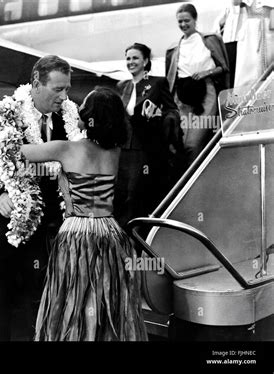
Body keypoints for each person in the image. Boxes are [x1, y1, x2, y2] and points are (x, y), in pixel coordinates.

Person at [18, 86, 148, 341]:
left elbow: (14, 152)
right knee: (105, 304)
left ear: (90, 115)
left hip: (76, 234)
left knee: (71, 304)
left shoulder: (65, 149)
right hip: (111, 234)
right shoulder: (115, 152)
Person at [0, 55, 77, 340]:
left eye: (67, 88)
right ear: (36, 84)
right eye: (58, 89)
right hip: (5, 227)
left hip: (47, 228)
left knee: (35, 299)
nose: (64, 96)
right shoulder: (3, 115)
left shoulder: (69, 118)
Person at [115, 43, 182, 227]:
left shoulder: (158, 82)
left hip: (145, 147)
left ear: (145, 61)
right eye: (128, 58)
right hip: (123, 149)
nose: (131, 62)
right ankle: (124, 239)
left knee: (136, 194)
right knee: (122, 195)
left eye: (135, 58)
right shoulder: (123, 86)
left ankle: (139, 236)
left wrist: (159, 116)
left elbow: (172, 111)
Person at [166, 3, 230, 165]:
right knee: (179, 143)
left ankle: (195, 180)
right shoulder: (174, 49)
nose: (183, 25)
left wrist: (205, 73)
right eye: (179, 22)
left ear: (195, 20)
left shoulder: (210, 40)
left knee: (193, 144)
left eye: (186, 20)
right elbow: (170, 79)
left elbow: (223, 67)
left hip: (205, 95)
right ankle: (183, 182)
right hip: (182, 99)